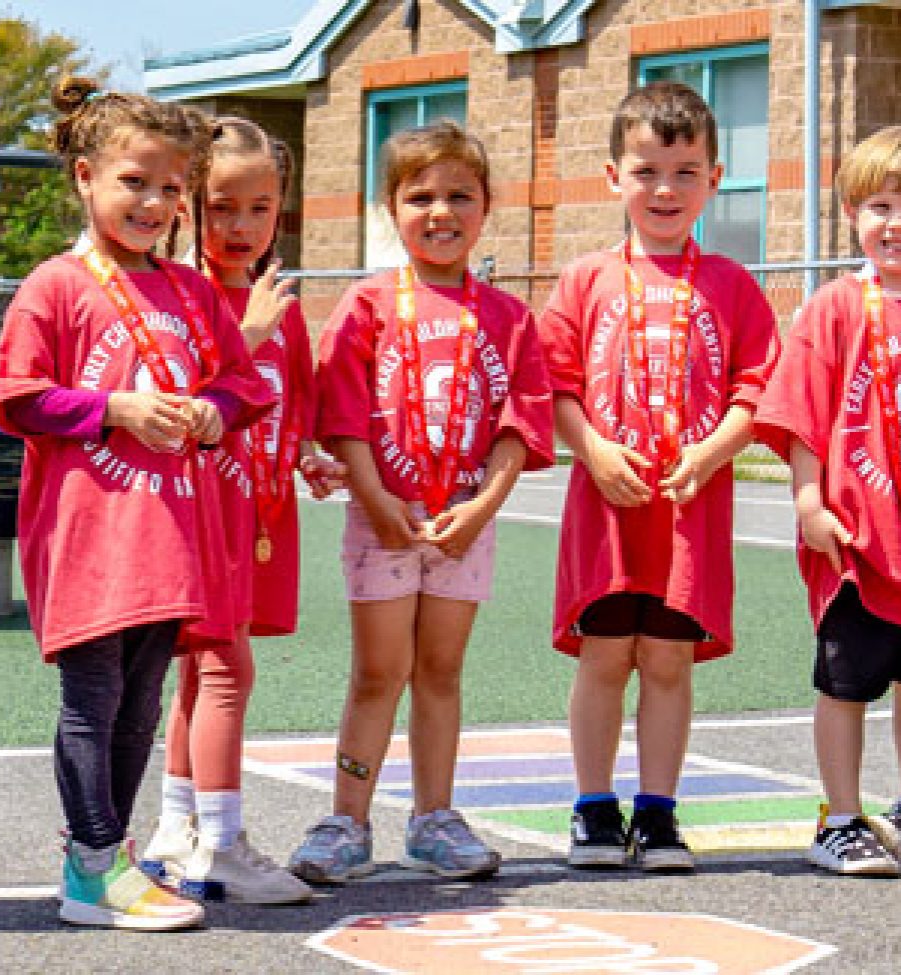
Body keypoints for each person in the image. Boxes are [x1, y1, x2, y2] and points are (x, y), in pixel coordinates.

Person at [0, 77, 274, 928]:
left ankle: (105, 857)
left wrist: (209, 415)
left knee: (145, 700)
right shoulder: (55, 285)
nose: (154, 202)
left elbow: (240, 382)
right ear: (85, 176)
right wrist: (117, 408)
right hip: (86, 536)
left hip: (169, 532)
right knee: (94, 697)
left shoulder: (190, 292)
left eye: (170, 187)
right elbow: (17, 396)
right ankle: (91, 863)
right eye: (134, 182)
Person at [288, 120, 554, 884]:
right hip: (384, 522)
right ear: (390, 208)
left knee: (440, 670)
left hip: (464, 527)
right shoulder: (367, 304)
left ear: (486, 206)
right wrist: (374, 501)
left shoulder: (508, 318)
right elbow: (341, 416)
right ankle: (347, 820)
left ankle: (435, 818)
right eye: (420, 196)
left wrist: (481, 509)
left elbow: (519, 427)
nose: (441, 212)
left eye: (459, 195)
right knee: (379, 672)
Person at [539, 81, 779, 872]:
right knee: (606, 656)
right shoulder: (585, 279)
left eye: (685, 171)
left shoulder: (734, 286)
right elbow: (557, 383)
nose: (665, 189)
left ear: (715, 179)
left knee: (668, 660)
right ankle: (594, 807)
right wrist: (592, 451)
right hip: (607, 510)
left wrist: (713, 453)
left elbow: (758, 389)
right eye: (646, 171)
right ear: (614, 177)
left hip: (688, 514)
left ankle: (660, 810)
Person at [757, 125, 901, 877]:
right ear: (854, 210)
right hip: (857, 539)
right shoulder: (834, 307)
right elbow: (803, 410)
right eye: (881, 204)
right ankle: (840, 816)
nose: (897, 222)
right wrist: (807, 496)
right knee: (846, 680)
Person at [140, 117, 341, 904]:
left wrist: (304, 454)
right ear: (190, 205)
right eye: (223, 206)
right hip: (200, 513)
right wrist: (244, 332)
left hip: (260, 511)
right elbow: (186, 403)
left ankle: (177, 826)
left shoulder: (277, 300)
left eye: (259, 208)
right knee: (224, 668)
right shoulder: (181, 295)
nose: (242, 226)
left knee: (204, 675)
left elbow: (281, 402)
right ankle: (221, 843)